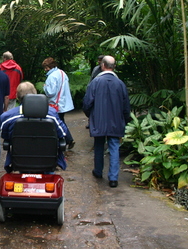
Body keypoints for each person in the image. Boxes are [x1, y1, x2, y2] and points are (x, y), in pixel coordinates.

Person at [82, 55, 131, 188]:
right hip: (116, 121)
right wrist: (126, 120)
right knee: (114, 147)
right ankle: (113, 179)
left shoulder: (95, 83)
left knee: (98, 145)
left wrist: (90, 116)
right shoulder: (120, 84)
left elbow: (87, 103)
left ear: (102, 66)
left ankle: (98, 171)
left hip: (98, 120)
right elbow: (126, 106)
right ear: (114, 67)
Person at [0, 82, 68, 173]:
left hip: (20, 160)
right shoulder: (51, 114)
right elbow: (63, 133)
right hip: (47, 160)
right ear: (35, 94)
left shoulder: (8, 116)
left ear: (17, 96)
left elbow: (3, 135)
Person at [42, 57, 76, 149]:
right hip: (63, 102)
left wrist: (44, 87)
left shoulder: (52, 76)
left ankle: (66, 139)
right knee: (61, 121)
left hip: (56, 103)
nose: (45, 70)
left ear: (50, 66)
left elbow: (51, 92)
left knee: (58, 123)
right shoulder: (62, 73)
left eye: (46, 67)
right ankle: (66, 139)